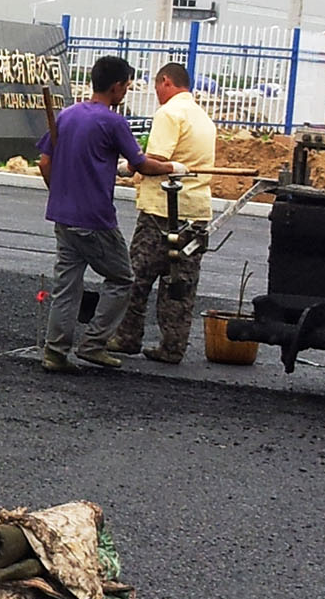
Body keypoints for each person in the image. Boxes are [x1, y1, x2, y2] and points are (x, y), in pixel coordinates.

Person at [36, 55, 189, 371]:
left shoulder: (67, 115)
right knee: (122, 278)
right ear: (117, 86)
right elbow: (142, 164)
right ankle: (93, 343)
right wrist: (172, 167)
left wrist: (60, 192)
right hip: (95, 218)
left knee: (67, 283)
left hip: (63, 215)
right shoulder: (113, 121)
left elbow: (45, 162)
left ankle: (55, 351)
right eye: (127, 87)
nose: (126, 93)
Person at [110, 61, 217, 363]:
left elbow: (155, 161)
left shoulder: (170, 113)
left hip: (162, 212)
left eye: (157, 86)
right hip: (196, 212)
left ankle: (127, 337)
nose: (156, 93)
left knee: (136, 275)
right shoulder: (203, 118)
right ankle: (173, 347)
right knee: (179, 284)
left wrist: (128, 166)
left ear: (166, 81)